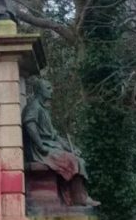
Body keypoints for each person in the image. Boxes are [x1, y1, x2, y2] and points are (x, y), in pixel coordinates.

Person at [22, 79, 99, 207]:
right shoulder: (33, 106)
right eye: (48, 88)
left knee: (78, 159)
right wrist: (40, 146)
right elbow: (30, 126)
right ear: (40, 91)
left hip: (49, 145)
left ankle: (79, 196)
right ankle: (78, 198)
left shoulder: (43, 109)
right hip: (39, 150)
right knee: (72, 161)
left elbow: (55, 135)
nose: (51, 91)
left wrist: (70, 147)